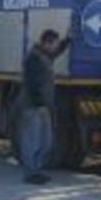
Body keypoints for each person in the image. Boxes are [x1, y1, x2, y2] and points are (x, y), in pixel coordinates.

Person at [19, 29, 71, 185]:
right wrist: (39, 103)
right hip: (33, 107)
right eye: (55, 44)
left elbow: (56, 53)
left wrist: (67, 41)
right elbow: (32, 84)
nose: (56, 47)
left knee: (45, 142)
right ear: (47, 43)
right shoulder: (33, 59)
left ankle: (38, 170)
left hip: (44, 106)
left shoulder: (45, 56)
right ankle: (31, 173)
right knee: (33, 141)